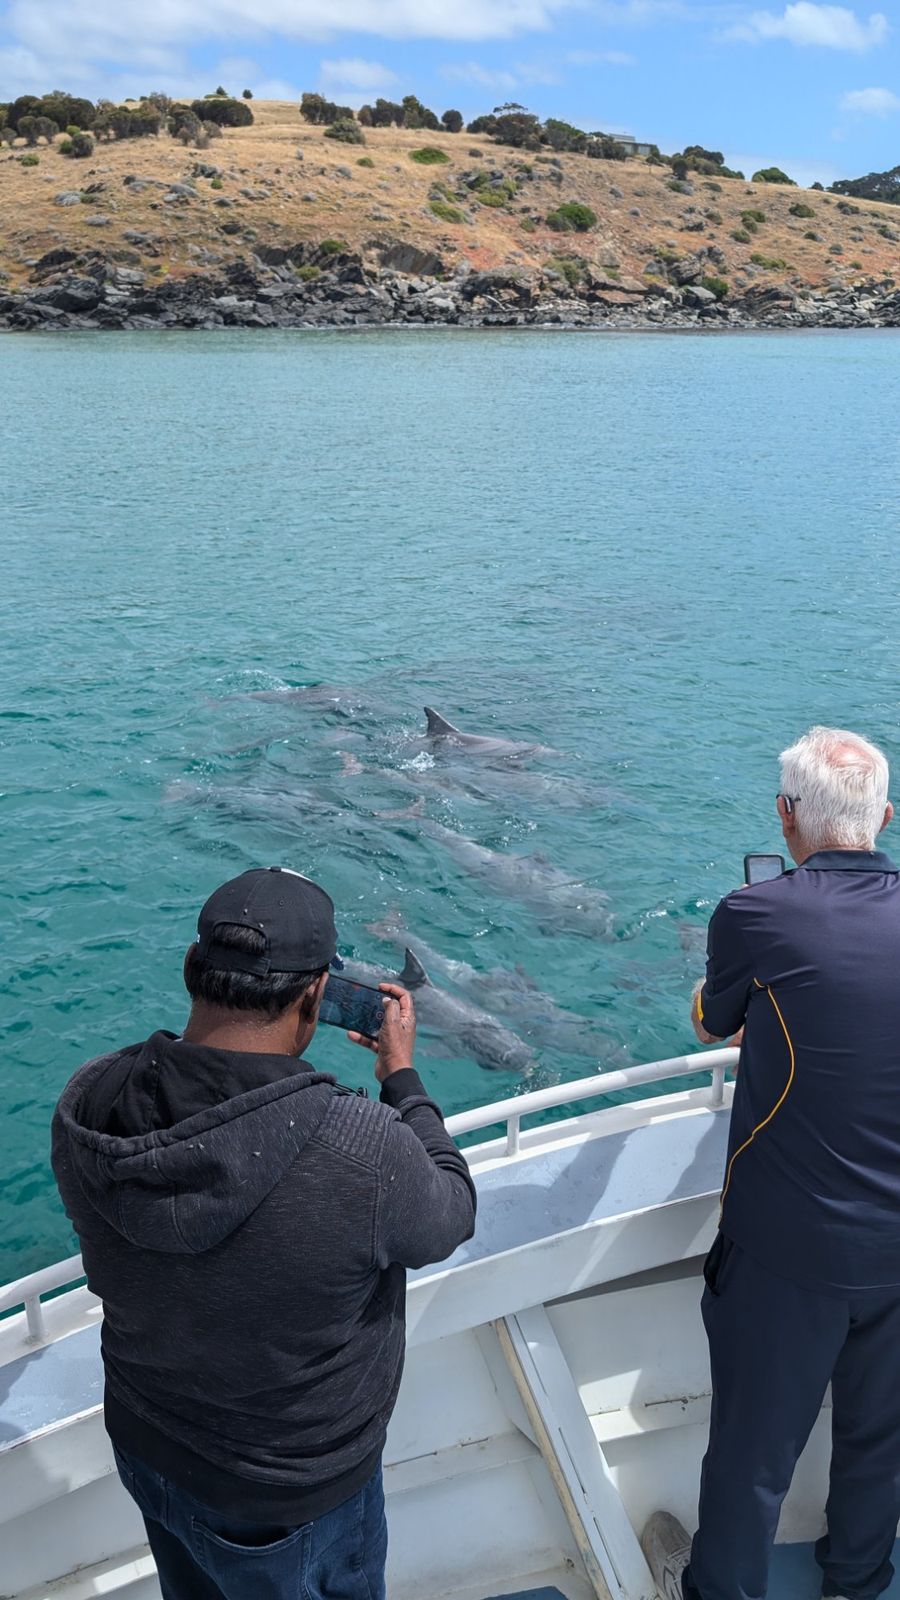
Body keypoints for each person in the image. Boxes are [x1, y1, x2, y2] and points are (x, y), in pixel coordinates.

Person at [52, 866, 477, 1600]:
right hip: (290, 1494)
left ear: (192, 970)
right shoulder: (361, 1147)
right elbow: (449, 1215)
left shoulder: (88, 1100)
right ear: (316, 995)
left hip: (147, 1440)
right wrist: (402, 1078)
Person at [643, 727, 900, 1600]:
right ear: (886, 818)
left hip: (789, 1250)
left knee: (753, 1458)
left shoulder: (756, 912)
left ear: (787, 816)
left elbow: (713, 1021)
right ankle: (858, 1583)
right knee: (878, 1441)